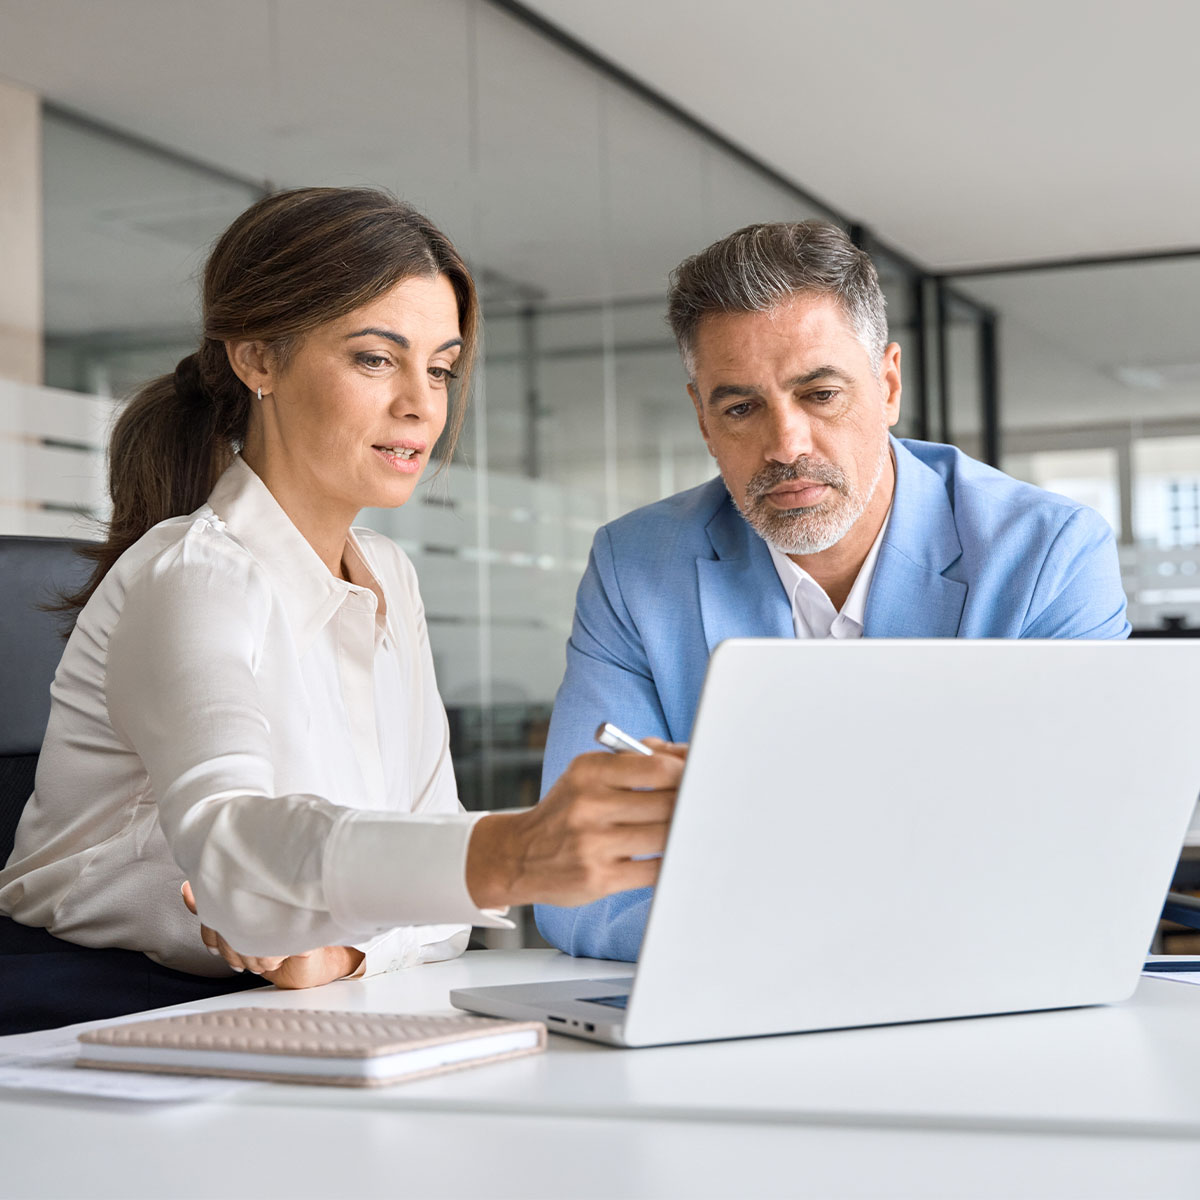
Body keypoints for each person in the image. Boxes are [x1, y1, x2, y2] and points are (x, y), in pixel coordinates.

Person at [0, 188, 681, 1028]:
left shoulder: (389, 574)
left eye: (440, 368)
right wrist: (510, 853)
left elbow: (440, 911)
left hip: (297, 1001)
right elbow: (232, 848)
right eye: (375, 359)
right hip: (89, 1012)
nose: (422, 404)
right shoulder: (193, 573)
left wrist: (346, 952)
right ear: (257, 360)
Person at [534, 220, 1129, 963]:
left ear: (888, 385)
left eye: (819, 394)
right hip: (741, 999)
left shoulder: (1047, 554)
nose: (786, 446)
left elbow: (1082, 852)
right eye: (740, 408)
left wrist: (789, 924)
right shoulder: (636, 567)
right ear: (703, 420)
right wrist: (828, 948)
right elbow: (577, 882)